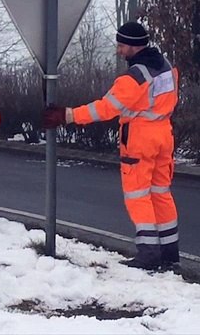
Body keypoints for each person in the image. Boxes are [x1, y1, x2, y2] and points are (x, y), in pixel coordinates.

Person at [42, 21, 179, 271]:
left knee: (138, 195)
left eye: (121, 45)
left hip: (139, 137)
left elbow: (105, 108)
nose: (118, 50)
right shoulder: (167, 67)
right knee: (161, 193)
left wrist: (69, 115)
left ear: (133, 46)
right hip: (164, 133)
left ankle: (148, 254)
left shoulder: (134, 77)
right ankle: (170, 253)